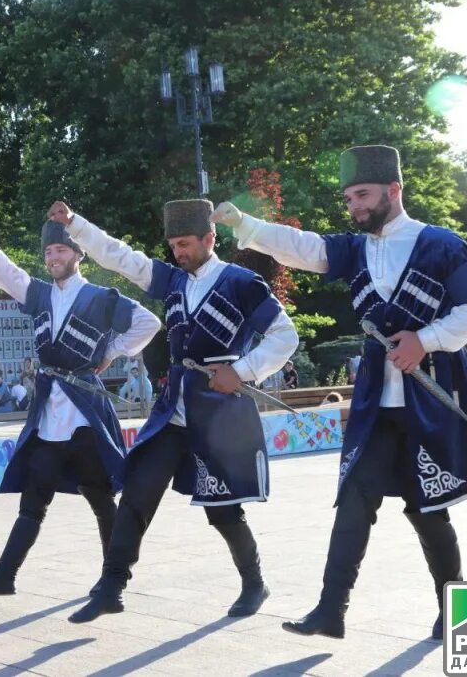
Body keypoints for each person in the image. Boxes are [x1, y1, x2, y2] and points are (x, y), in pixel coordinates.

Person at [213, 144, 467, 640]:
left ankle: (457, 615)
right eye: (349, 199)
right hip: (375, 403)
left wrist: (425, 339)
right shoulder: (353, 249)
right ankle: (331, 611)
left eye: (363, 196)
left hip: (428, 400)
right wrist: (248, 225)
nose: (355, 207)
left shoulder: (442, 245)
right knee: (353, 502)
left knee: (428, 511)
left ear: (394, 190)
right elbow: (301, 246)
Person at [49, 198, 298, 623]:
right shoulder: (172, 280)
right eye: (173, 245)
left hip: (220, 413)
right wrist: (75, 225)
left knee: (223, 510)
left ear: (209, 238)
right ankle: (111, 587)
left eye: (185, 243)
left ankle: (255, 583)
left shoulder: (242, 282)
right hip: (172, 412)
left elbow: (284, 335)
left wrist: (243, 370)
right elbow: (120, 257)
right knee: (137, 495)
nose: (178, 252)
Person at [0, 211, 159, 601]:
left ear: (78, 253)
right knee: (33, 502)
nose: (53, 257)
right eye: (48, 251)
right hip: (48, 414)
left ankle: (114, 580)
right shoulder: (41, 294)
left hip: (85, 414)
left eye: (61, 249)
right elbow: (6, 273)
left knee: (100, 500)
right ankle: (4, 576)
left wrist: (112, 350)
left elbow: (148, 323)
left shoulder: (100, 297)